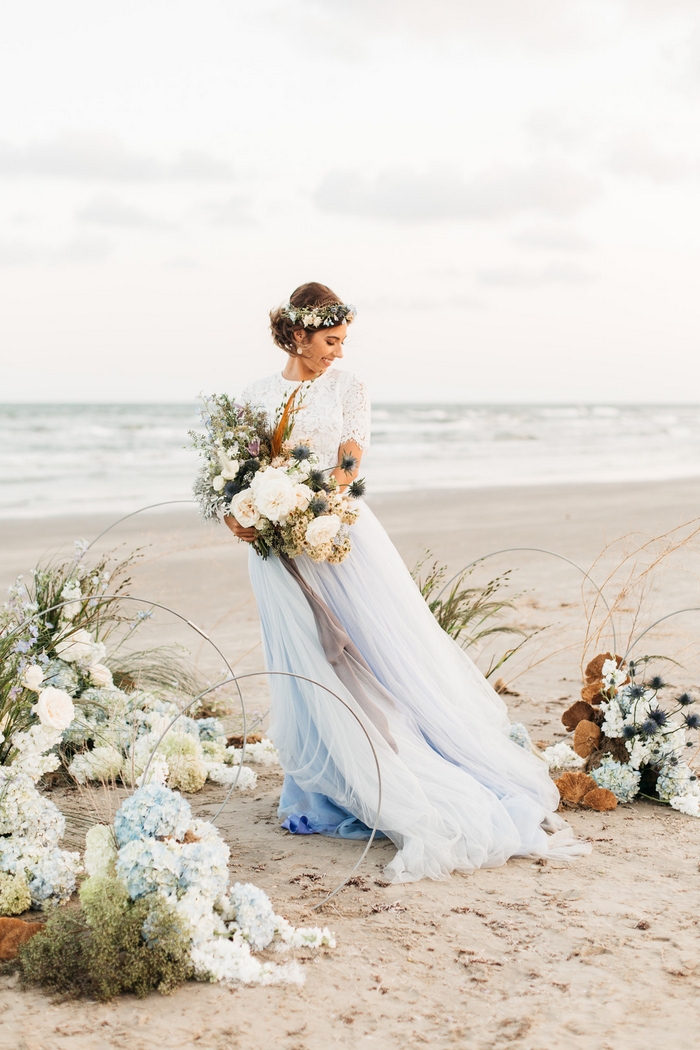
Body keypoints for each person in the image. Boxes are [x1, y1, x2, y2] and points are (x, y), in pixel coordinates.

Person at [225, 282, 589, 883]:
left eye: (343, 341)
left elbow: (347, 465)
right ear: (297, 333)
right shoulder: (254, 396)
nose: (338, 352)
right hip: (273, 551)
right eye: (330, 341)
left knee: (365, 654)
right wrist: (237, 514)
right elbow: (235, 474)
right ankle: (320, 793)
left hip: (335, 537)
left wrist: (307, 512)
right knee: (300, 663)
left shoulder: (348, 387)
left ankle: (394, 768)